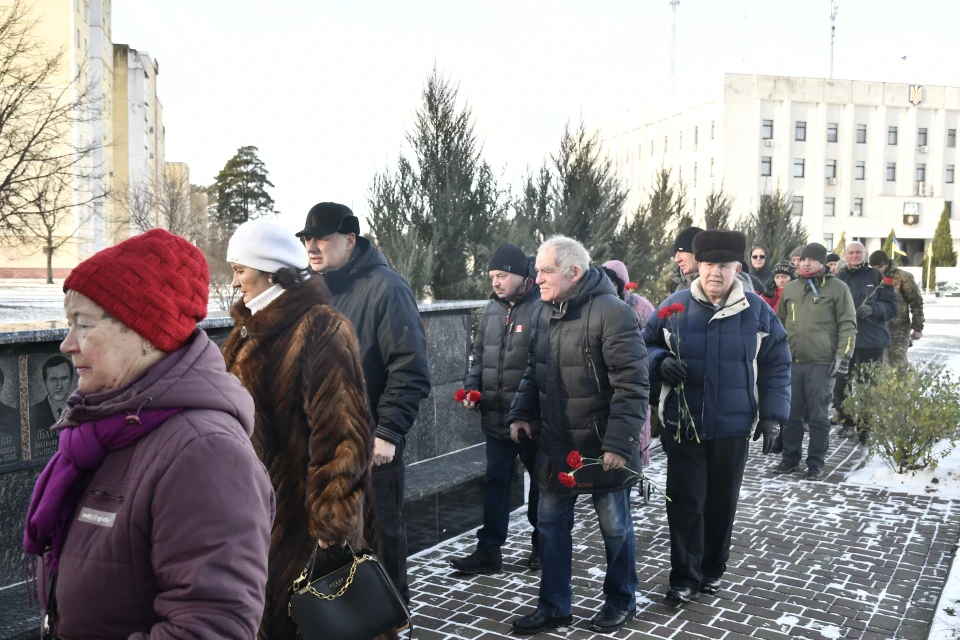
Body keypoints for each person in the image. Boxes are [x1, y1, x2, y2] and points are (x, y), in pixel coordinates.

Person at [23, 229, 273, 639]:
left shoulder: (205, 453)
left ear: (144, 333)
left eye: (82, 325)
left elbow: (210, 629)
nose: (67, 344)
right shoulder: (107, 425)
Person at [221, 221, 391, 640]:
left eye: (241, 269)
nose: (234, 279)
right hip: (255, 518)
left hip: (301, 523)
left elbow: (342, 435)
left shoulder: (320, 328)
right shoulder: (251, 326)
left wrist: (332, 526)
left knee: (310, 624)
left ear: (269, 269)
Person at [507, 236, 648, 635]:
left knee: (615, 528)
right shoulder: (541, 312)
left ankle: (621, 601)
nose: (537, 277)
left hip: (603, 447)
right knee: (550, 528)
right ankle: (554, 606)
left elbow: (633, 386)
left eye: (545, 270)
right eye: (537, 270)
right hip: (556, 443)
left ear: (574, 272)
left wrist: (620, 443)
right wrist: (521, 413)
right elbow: (535, 372)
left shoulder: (614, 313)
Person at [642, 229, 790, 605]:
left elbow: (776, 363)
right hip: (683, 422)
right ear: (698, 266)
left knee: (721, 503)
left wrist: (773, 416)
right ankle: (684, 577)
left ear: (737, 268)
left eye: (723, 266)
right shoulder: (674, 305)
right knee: (685, 501)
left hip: (733, 425)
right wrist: (660, 363)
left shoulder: (757, 310)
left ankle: (711, 570)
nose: (715, 273)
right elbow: (642, 347)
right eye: (708, 265)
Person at [298, 202, 430, 604]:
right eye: (308, 239)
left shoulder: (386, 287)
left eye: (323, 238)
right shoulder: (315, 289)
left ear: (350, 240)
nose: (313, 247)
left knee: (379, 542)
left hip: (372, 446)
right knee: (333, 544)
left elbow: (410, 366)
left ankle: (391, 622)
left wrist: (387, 432)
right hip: (324, 446)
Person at [451, 244, 541, 575]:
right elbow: (479, 356)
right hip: (494, 415)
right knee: (495, 484)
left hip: (531, 420)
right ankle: (489, 551)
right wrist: (472, 388)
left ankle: (542, 545)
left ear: (522, 275)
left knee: (540, 487)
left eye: (502, 275)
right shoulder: (490, 309)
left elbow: (543, 363)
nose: (496, 283)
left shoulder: (541, 307)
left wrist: (531, 410)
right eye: (492, 276)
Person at [774, 243, 857, 480]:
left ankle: (815, 463)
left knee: (819, 416)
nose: (806, 263)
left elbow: (848, 324)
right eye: (802, 259)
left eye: (811, 259)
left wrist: (844, 355)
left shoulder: (838, 289)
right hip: (792, 362)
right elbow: (778, 324)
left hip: (822, 363)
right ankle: (790, 459)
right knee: (790, 414)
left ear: (822, 262)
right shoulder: (790, 289)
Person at [834, 241, 898, 442]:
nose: (854, 256)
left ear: (865, 254)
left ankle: (865, 426)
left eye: (858, 252)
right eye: (851, 252)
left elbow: (892, 306)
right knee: (841, 384)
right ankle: (847, 421)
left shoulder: (876, 277)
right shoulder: (839, 278)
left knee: (867, 385)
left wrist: (874, 309)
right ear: (845, 255)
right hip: (846, 340)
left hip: (872, 340)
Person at [602, 260, 654, 468]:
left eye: (613, 282)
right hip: (610, 373)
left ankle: (637, 464)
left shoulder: (640, 306)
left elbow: (654, 337)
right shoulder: (600, 306)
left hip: (637, 369)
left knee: (638, 421)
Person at [868, 250, 924, 370]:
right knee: (876, 365)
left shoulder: (903, 277)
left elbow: (916, 302)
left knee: (897, 363)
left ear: (886, 264)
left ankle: (901, 388)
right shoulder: (870, 277)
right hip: (876, 328)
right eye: (873, 267)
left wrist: (917, 327)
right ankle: (880, 389)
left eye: (879, 267)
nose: (876, 270)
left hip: (898, 329)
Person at [29, 356, 74, 430]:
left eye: (64, 378)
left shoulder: (83, 409)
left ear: (71, 380)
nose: (59, 386)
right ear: (44, 383)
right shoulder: (31, 413)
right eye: (53, 380)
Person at [671, 226, 704, 292]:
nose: (677, 259)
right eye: (676, 253)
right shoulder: (677, 284)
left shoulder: (722, 283)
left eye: (681, 251)